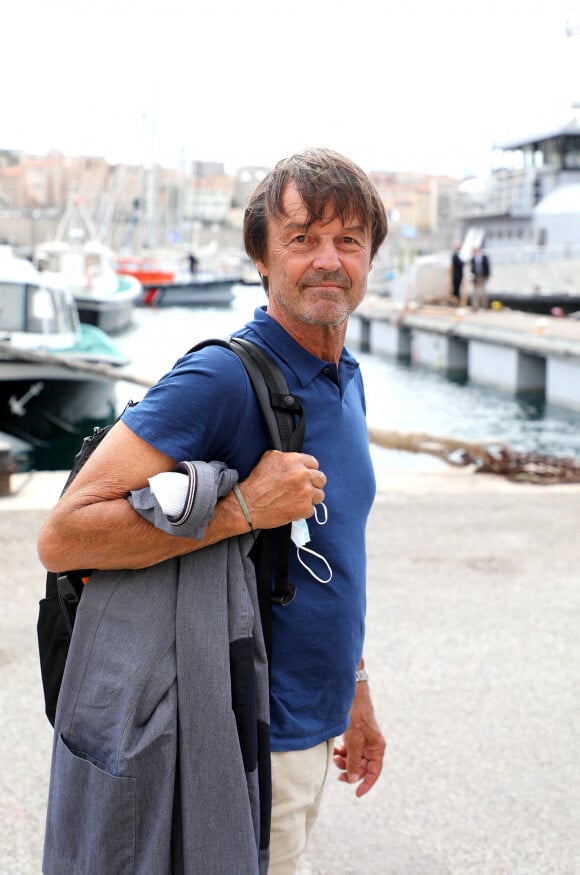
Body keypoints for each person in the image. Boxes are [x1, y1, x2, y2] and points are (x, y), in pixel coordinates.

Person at [37, 148, 387, 874]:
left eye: (348, 239)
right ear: (262, 256)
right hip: (243, 740)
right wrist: (241, 508)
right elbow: (63, 534)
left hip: (314, 726)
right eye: (303, 238)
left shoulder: (341, 377)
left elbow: (332, 557)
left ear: (370, 256)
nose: (328, 259)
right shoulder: (220, 380)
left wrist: (354, 692)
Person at [470, 246, 491, 310]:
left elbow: (487, 266)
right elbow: (472, 268)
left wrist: (488, 275)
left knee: (483, 291)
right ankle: (475, 306)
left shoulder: (484, 257)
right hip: (475, 276)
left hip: (482, 275)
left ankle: (485, 306)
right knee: (475, 292)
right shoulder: (473, 258)